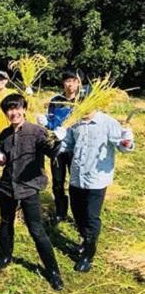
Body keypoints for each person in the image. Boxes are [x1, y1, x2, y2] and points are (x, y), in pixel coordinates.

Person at [0, 94, 63, 291]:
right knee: (5, 223)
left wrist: (57, 141)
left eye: (17, 108)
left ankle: (53, 272)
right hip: (6, 186)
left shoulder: (37, 131)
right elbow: (5, 159)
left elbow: (52, 152)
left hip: (29, 186)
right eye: (9, 110)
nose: (14, 113)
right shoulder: (4, 134)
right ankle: (6, 256)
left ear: (24, 109)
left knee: (36, 229)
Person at [55, 111, 135, 272]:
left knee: (91, 216)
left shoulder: (108, 122)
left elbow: (122, 146)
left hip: (96, 179)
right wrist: (56, 138)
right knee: (77, 212)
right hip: (77, 176)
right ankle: (85, 242)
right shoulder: (75, 122)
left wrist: (127, 141)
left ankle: (88, 255)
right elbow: (68, 144)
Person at [36, 68, 82, 223]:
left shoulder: (84, 101)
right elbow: (51, 123)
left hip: (77, 147)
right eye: (68, 81)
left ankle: (78, 216)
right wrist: (45, 122)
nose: (71, 85)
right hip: (57, 145)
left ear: (79, 83)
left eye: (74, 81)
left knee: (77, 182)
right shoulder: (56, 100)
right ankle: (61, 212)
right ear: (63, 83)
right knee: (57, 181)